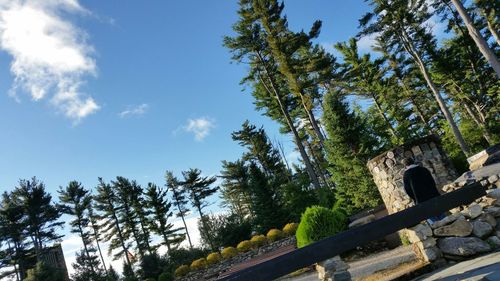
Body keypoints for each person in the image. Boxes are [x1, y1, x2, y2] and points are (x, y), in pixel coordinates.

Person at [402, 157, 445, 224]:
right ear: (413, 161)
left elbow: (408, 190)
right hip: (434, 196)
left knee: (433, 221)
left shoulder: (406, 175)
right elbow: (432, 182)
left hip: (421, 200)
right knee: (442, 216)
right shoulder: (424, 169)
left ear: (405, 165)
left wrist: (415, 199)